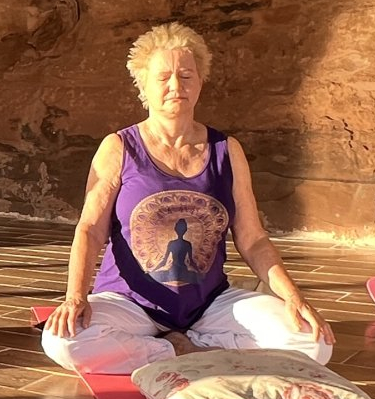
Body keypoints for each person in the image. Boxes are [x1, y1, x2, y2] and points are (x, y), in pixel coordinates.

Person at [43, 22, 332, 375]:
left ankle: (193, 346)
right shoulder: (119, 147)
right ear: (143, 85)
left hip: (208, 305)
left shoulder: (227, 150)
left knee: (313, 342)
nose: (175, 87)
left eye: (186, 76)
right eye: (163, 77)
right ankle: (177, 348)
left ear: (201, 82)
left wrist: (293, 296)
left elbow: (253, 239)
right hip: (130, 304)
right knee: (62, 342)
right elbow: (89, 229)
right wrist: (76, 297)